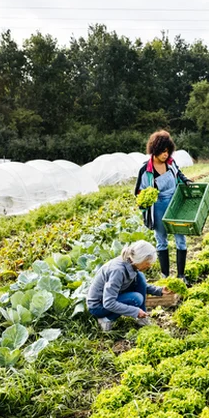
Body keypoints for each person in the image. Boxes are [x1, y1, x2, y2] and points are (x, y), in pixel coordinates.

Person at [134, 130, 192, 283]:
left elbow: (178, 173)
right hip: (158, 206)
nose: (166, 154)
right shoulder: (146, 170)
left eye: (168, 151)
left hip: (175, 203)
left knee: (180, 239)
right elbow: (139, 193)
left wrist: (185, 180)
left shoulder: (171, 163)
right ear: (154, 150)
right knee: (161, 240)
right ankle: (165, 275)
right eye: (162, 151)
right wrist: (145, 200)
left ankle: (181, 276)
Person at [86, 240, 170, 331]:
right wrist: (135, 311)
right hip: (98, 306)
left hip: (111, 296)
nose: (149, 266)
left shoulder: (131, 263)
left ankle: (142, 318)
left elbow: (140, 285)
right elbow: (108, 303)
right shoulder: (117, 271)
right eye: (148, 262)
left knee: (140, 277)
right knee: (136, 298)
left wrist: (160, 290)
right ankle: (105, 320)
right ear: (140, 259)